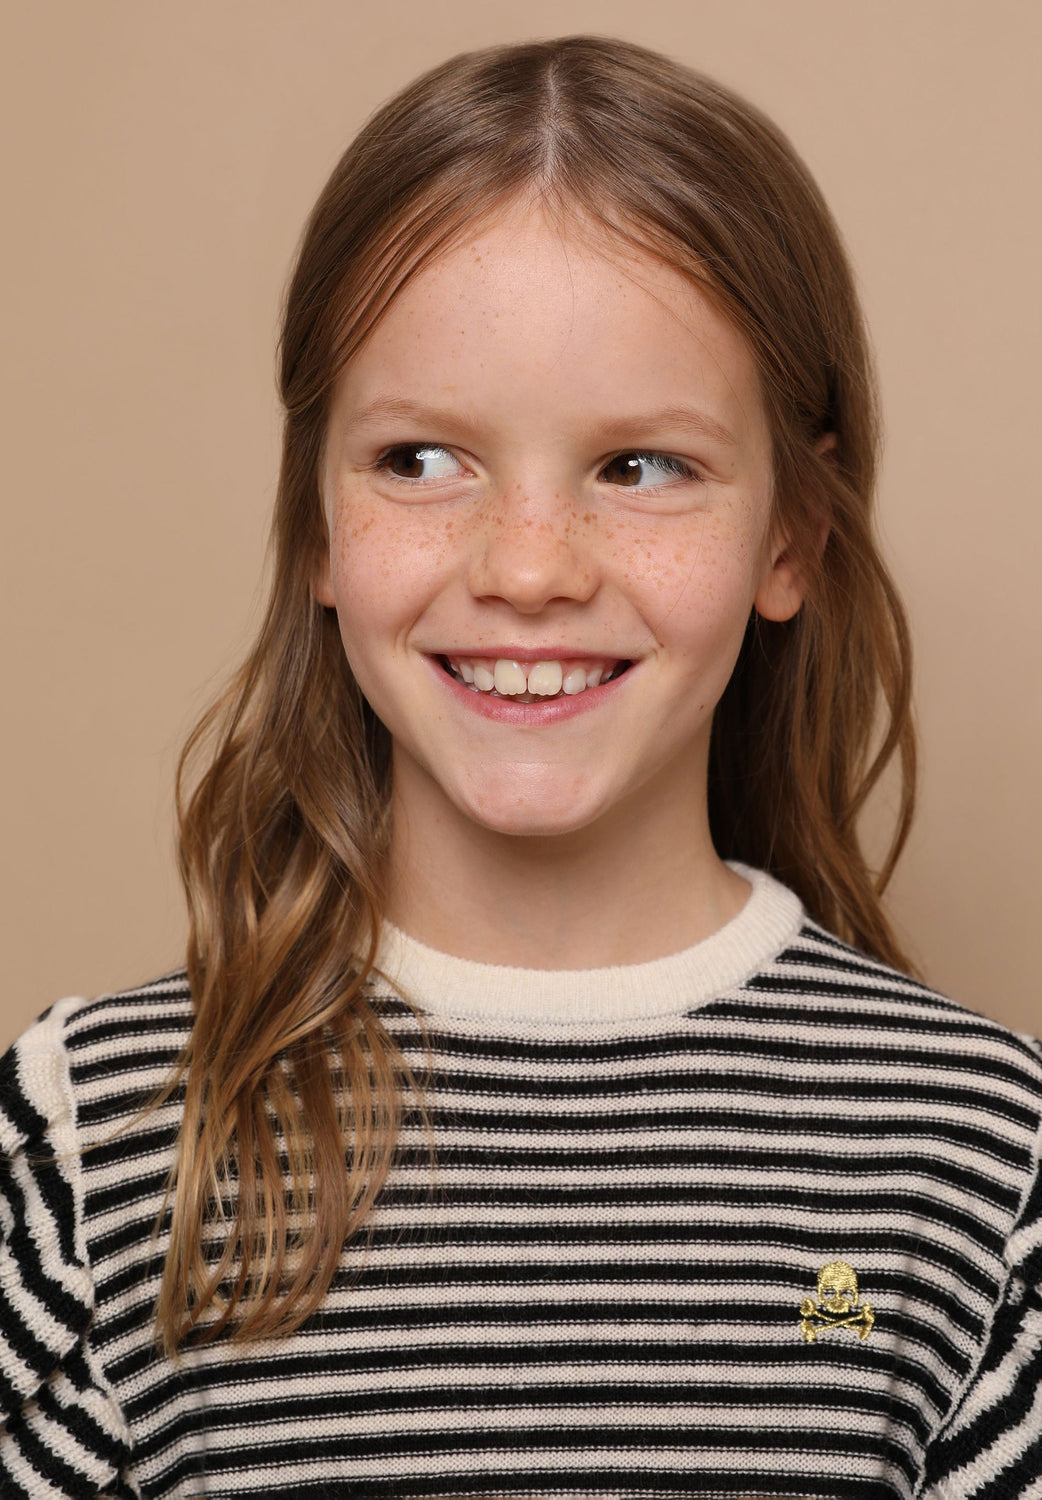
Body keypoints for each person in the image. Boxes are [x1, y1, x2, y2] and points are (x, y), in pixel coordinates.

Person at [0, 35, 1038, 1500]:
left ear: (790, 538)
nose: (529, 569)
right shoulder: (90, 1139)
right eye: (422, 460)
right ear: (314, 526)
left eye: (642, 466)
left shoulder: (982, 1159)